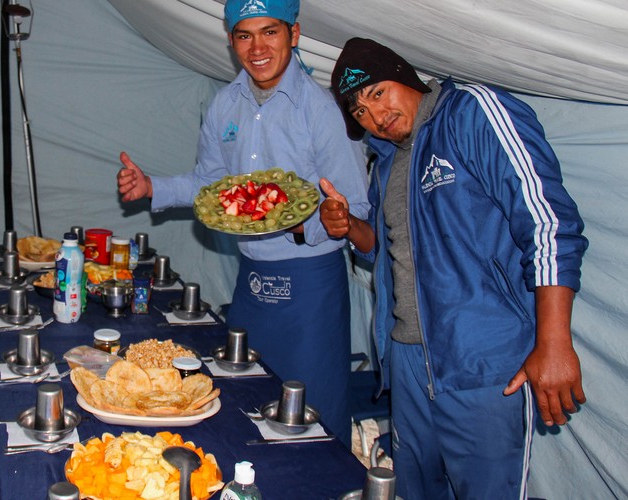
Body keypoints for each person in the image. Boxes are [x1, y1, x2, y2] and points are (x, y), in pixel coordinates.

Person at [321, 38, 588, 499]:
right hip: (407, 359)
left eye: (379, 93)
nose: (376, 117)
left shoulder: (471, 114)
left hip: (481, 361)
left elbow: (549, 224)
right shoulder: (386, 161)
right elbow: (388, 253)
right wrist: (349, 228)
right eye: (360, 111)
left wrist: (554, 341)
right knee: (414, 490)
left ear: (404, 76)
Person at [116, 0, 370, 445]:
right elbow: (210, 185)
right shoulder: (224, 105)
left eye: (269, 32)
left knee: (315, 411)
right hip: (251, 278)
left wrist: (303, 224)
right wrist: (152, 187)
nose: (257, 48)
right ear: (231, 40)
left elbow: (356, 210)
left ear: (294, 33)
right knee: (247, 395)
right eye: (244, 35)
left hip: (311, 283)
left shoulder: (322, 109)